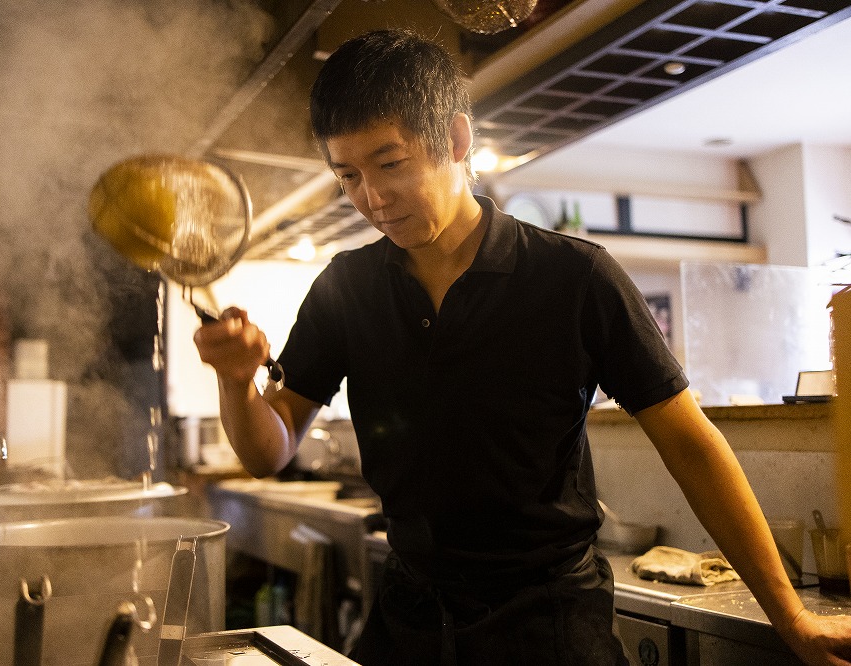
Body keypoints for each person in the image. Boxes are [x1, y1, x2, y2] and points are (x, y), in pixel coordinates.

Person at [193, 28, 851, 665]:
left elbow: (692, 446)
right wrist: (234, 380)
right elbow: (267, 449)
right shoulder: (347, 288)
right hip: (410, 625)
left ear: (454, 139)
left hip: (550, 629)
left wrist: (789, 616)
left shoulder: (574, 279)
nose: (372, 198)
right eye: (348, 176)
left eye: (389, 164)